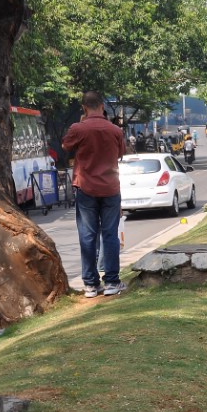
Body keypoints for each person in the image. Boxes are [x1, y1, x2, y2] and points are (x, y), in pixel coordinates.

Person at [62, 91, 127, 298]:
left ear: (83, 108)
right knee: (110, 235)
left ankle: (91, 285)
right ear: (102, 106)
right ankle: (112, 282)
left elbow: (66, 146)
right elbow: (120, 154)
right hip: (110, 188)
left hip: (86, 187)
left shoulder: (77, 128)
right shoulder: (115, 130)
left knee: (87, 235)